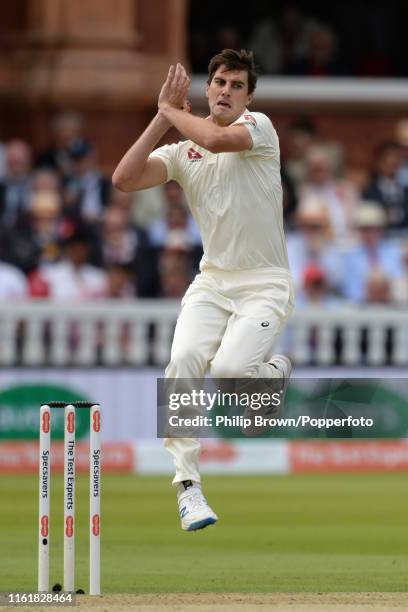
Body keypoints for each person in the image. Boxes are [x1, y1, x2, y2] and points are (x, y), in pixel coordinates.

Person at [113, 49, 294, 531]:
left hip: (264, 282)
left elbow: (214, 138)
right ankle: (187, 487)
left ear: (248, 96)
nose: (226, 91)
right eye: (219, 82)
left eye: (237, 85)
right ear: (207, 88)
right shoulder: (181, 152)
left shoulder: (259, 128)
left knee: (232, 370)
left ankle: (271, 374)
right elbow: (124, 178)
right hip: (211, 282)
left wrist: (173, 111)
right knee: (183, 363)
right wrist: (160, 118)